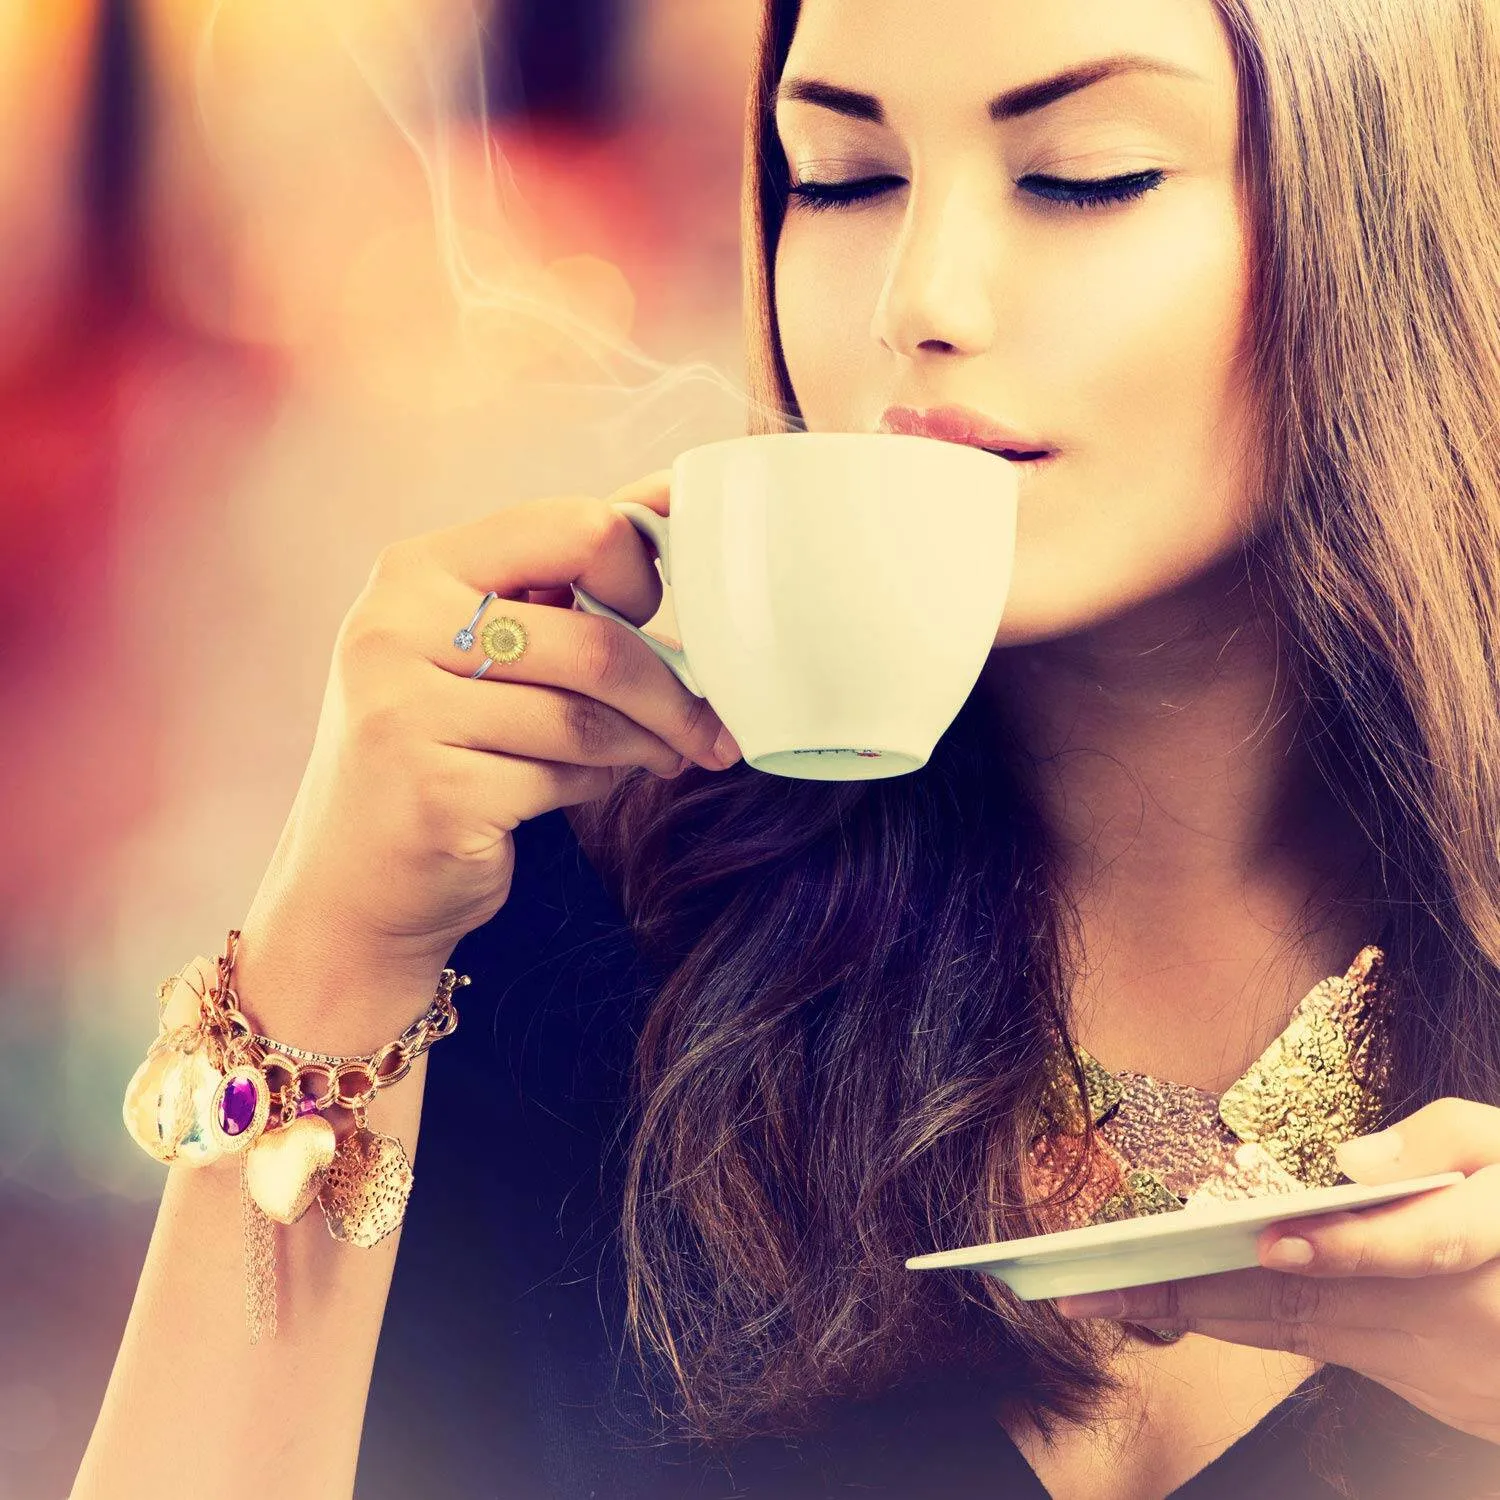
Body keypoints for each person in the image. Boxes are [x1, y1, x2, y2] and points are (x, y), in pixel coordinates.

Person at [74, 0, 1500, 1496]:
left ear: (1393, 215)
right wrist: (332, 949)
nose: (914, 299)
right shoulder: (568, 941)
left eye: (1084, 174)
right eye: (839, 176)